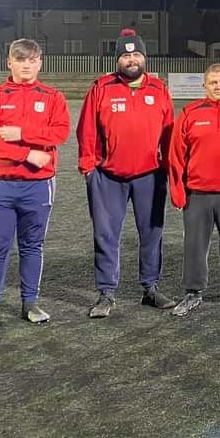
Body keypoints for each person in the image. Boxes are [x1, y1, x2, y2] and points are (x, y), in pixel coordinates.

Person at [0, 39, 70, 331]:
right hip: (0, 185)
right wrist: (27, 153)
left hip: (38, 185)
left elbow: (59, 132)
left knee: (32, 245)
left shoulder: (52, 97)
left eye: (32, 60)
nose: (26, 65)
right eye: (20, 60)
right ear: (9, 62)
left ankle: (30, 303)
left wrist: (22, 132)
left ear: (40, 63)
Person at [78, 29, 175, 318]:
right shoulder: (101, 88)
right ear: (117, 60)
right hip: (108, 176)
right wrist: (88, 167)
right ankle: (106, 292)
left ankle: (150, 288)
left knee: (152, 233)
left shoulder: (158, 89)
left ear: (144, 58)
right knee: (106, 234)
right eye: (125, 55)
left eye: (136, 54)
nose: (131, 60)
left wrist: (169, 168)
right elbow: (86, 130)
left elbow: (169, 133)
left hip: (149, 174)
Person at [167, 64, 220, 316]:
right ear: (204, 85)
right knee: (194, 243)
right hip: (198, 193)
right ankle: (193, 292)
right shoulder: (190, 112)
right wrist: (178, 190)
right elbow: (175, 155)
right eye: (213, 82)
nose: (218, 86)